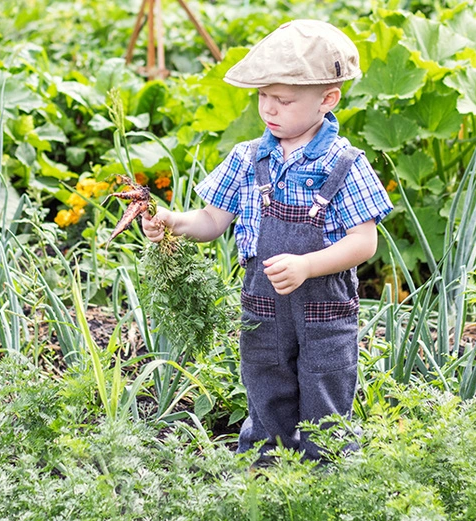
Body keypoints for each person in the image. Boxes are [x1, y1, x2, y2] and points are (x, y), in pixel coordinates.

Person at [141, 19, 393, 462]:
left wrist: (307, 266)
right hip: (263, 310)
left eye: (284, 100)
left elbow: (364, 243)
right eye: (263, 97)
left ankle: (328, 487)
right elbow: (212, 220)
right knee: (266, 392)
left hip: (324, 315)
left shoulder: (345, 164)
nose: (269, 110)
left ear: (327, 100)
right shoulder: (248, 157)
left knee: (325, 405)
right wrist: (173, 222)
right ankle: (266, 482)